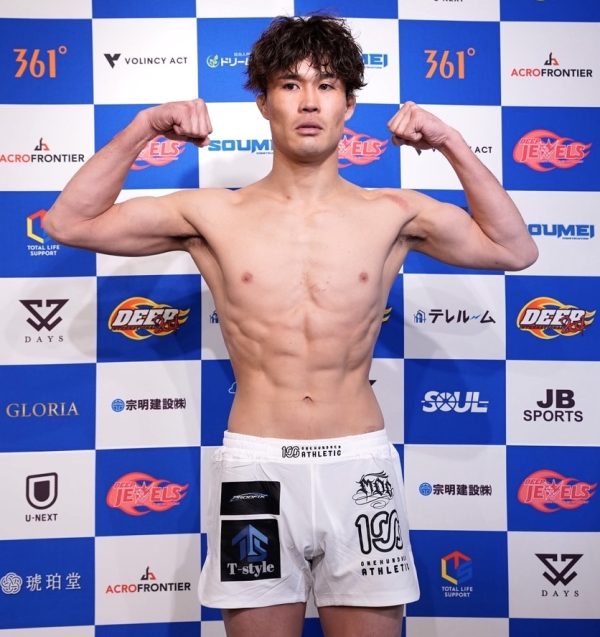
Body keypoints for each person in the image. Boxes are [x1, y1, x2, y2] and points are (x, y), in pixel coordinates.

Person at [43, 14, 538, 637]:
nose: (309, 102)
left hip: (359, 465)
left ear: (349, 104)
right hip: (256, 466)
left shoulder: (394, 213)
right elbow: (68, 223)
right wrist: (145, 127)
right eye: (290, 84)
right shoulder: (212, 214)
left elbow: (514, 249)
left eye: (326, 85)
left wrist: (451, 143)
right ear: (263, 102)